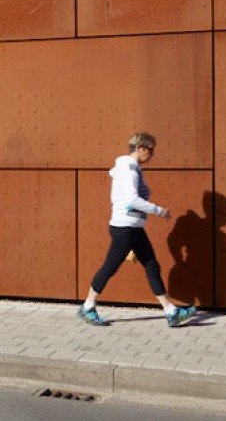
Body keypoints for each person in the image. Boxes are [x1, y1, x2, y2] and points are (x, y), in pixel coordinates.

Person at [78, 131, 196, 327]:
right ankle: (87, 306)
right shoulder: (130, 169)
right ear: (141, 148)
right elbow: (132, 199)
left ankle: (171, 311)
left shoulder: (130, 168)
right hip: (125, 228)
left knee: (152, 266)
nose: (152, 155)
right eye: (151, 151)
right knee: (110, 267)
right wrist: (159, 211)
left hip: (133, 228)